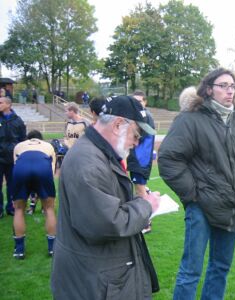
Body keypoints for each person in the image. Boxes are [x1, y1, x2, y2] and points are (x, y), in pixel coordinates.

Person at [51, 95, 160, 299]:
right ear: (118, 125)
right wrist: (146, 206)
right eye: (136, 136)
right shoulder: (89, 162)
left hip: (98, 276)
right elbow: (107, 223)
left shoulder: (97, 153)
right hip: (94, 282)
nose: (136, 144)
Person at [158, 68, 235, 300]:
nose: (229, 90)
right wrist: (193, 195)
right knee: (190, 272)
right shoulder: (190, 119)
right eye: (223, 85)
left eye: (232, 86)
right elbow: (168, 159)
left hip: (231, 207)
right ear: (209, 89)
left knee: (220, 268)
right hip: (201, 207)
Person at [11, 130, 57, 259]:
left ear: (27, 138)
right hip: (43, 168)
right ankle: (52, 248)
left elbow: (16, 165)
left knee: (19, 209)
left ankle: (19, 250)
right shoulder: (48, 146)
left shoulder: (19, 146)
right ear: (41, 139)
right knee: (49, 208)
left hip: (21, 168)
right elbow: (51, 170)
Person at [126, 90, 156, 234]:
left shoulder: (145, 117)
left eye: (139, 101)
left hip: (140, 161)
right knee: (140, 189)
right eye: (134, 101)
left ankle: (146, 223)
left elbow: (141, 142)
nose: (136, 104)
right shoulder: (139, 116)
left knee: (140, 191)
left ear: (145, 102)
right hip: (137, 160)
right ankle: (149, 193)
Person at [0, 95, 27, 218]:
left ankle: (11, 208)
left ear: (8, 105)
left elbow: (22, 139)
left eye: (1, 102)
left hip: (13, 159)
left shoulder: (18, 121)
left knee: (12, 185)